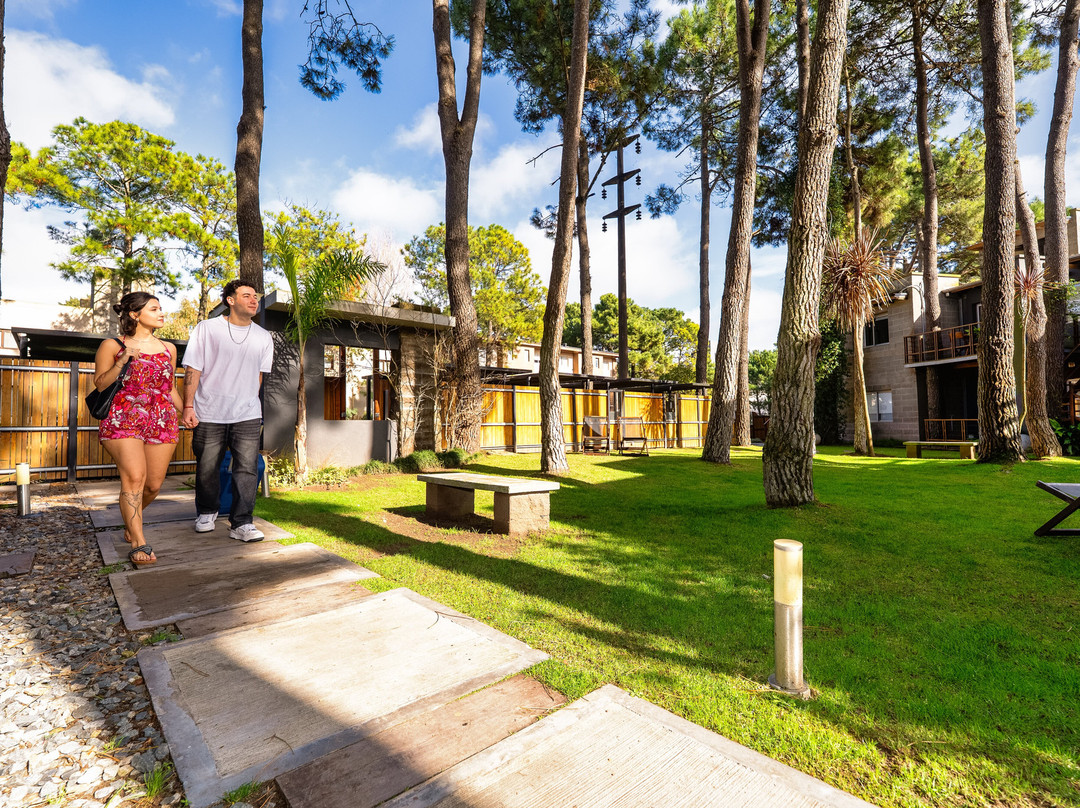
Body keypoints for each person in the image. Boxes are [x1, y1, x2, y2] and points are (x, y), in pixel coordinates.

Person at [94, 292, 183, 567]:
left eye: (161, 308)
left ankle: (130, 524)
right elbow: (100, 384)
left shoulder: (169, 349)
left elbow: (169, 388)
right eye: (154, 309)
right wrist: (122, 361)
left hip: (161, 419)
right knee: (134, 476)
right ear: (135, 314)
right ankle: (138, 540)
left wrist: (188, 411)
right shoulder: (112, 345)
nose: (161, 313)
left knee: (153, 485)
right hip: (123, 418)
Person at [181, 280, 274, 541]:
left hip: (247, 413)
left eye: (255, 296)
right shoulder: (208, 329)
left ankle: (242, 523)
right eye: (246, 295)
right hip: (209, 411)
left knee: (247, 468)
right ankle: (207, 512)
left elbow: (258, 376)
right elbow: (192, 369)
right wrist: (188, 405)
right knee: (208, 466)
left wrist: (248, 401)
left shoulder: (264, 337)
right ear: (230, 300)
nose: (254, 300)